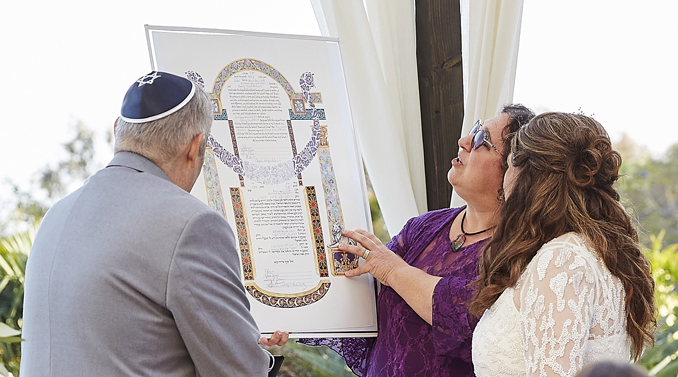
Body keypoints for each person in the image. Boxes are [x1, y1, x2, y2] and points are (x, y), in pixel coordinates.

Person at [20, 71, 285, 376]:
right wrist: (250, 351)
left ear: (118, 130)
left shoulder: (57, 214)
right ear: (194, 146)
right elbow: (242, 371)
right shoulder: (193, 224)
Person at [300, 104, 535, 376]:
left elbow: (470, 319)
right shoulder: (425, 227)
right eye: (473, 130)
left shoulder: (520, 252)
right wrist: (287, 320)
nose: (463, 141)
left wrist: (394, 270)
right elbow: (364, 295)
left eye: (482, 139)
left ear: (512, 170)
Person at [470, 112, 656, 377]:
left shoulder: (562, 260)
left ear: (528, 177)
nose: (503, 180)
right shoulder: (586, 251)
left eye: (510, 164)